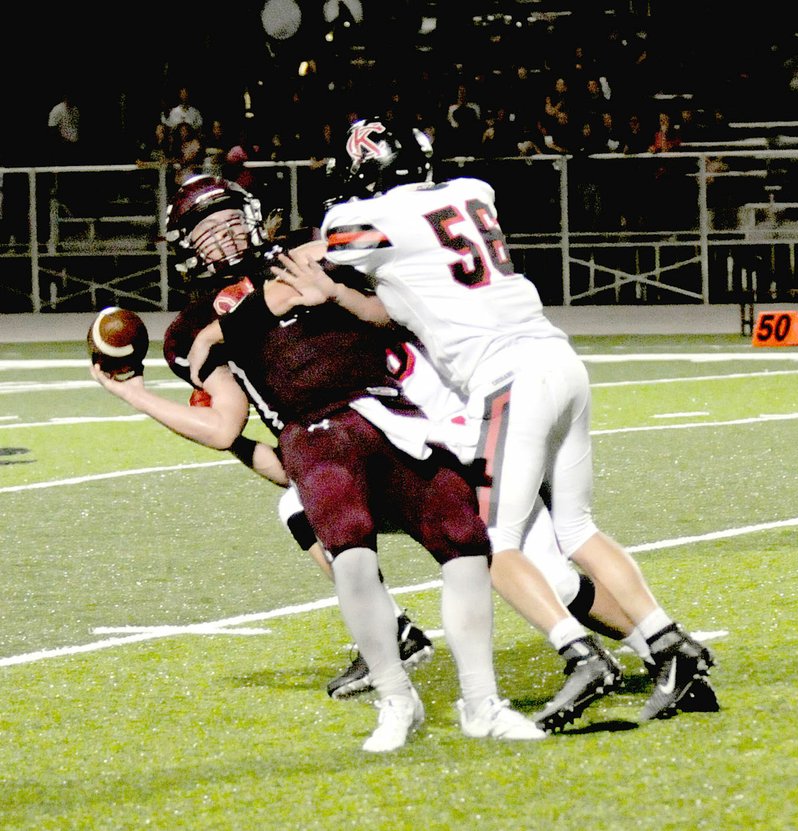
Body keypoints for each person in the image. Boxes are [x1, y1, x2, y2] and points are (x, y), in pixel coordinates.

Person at [274, 116, 718, 725]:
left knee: (491, 543)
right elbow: (398, 303)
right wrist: (340, 297)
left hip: (506, 377)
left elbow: (321, 251)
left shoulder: (371, 221)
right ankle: (671, 646)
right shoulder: (472, 192)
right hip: (557, 357)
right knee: (579, 528)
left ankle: (580, 653)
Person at [94, 174, 547, 752]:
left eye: (231, 219)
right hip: (313, 432)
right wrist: (130, 392)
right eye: (206, 229)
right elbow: (222, 424)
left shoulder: (311, 254)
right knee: (350, 550)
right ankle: (395, 697)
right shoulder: (191, 330)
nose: (224, 235)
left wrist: (326, 276)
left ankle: (482, 702)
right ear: (184, 246)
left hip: (392, 409)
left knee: (464, 543)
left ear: (257, 216)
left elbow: (387, 299)